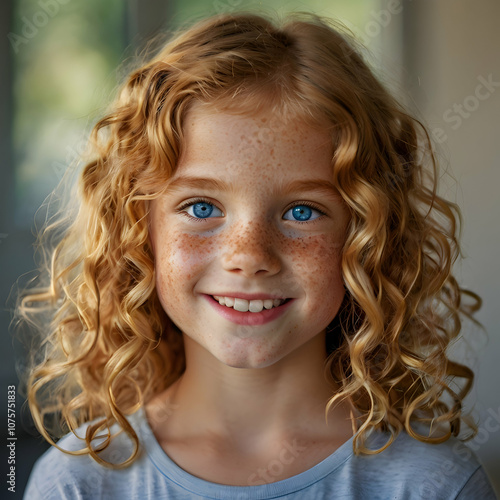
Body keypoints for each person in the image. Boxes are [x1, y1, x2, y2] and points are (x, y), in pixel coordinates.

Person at [18, 11, 497, 500]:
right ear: (139, 233)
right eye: (201, 207)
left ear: (368, 236)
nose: (248, 256)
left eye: (302, 211)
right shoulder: (78, 483)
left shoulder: (433, 485)